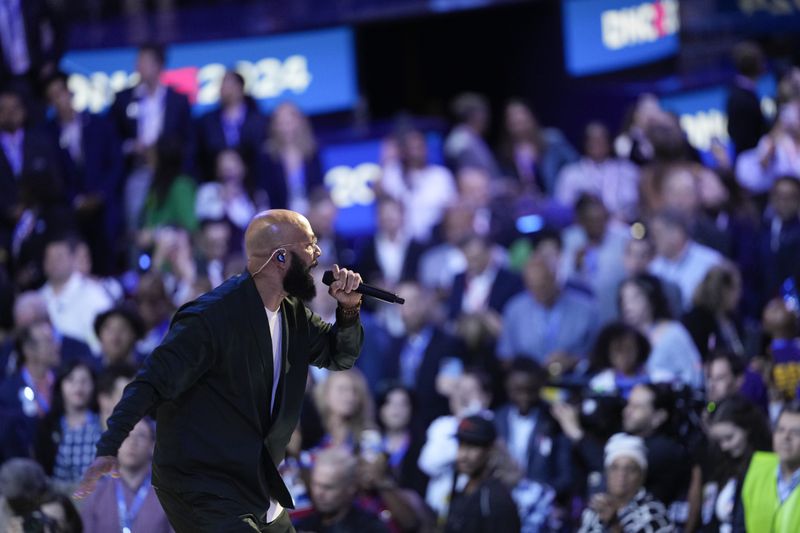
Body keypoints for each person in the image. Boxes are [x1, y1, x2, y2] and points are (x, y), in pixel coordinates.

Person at [74, 209, 365, 533]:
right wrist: (109, 445)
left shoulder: (291, 314)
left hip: (255, 477)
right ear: (280, 257)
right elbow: (149, 383)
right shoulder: (210, 318)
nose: (319, 254)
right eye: (309, 245)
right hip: (202, 483)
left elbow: (339, 356)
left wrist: (349, 310)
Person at [79, 418, 172, 533]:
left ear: (153, 446)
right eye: (126, 435)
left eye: (141, 436)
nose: (132, 442)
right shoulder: (97, 492)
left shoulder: (167, 496)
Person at [700, 395, 771, 532]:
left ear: (748, 429)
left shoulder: (765, 466)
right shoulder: (721, 464)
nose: (724, 446)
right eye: (719, 440)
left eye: (729, 438)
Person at [578, 434, 674, 533]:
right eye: (615, 468)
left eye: (630, 469)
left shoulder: (654, 515)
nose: (621, 475)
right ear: (607, 473)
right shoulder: (595, 509)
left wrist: (614, 525)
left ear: (642, 475)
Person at [443, 413, 521, 533]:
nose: (463, 455)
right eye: (461, 445)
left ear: (490, 451)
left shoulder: (495, 498)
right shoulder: (462, 486)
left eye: (472, 447)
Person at [295, 446, 389, 533]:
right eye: (315, 484)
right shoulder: (303, 526)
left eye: (328, 487)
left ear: (350, 488)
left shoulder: (370, 528)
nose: (318, 493)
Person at [737, 400, 800, 531]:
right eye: (781, 430)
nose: (785, 437)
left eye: (796, 432)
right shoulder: (756, 467)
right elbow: (739, 526)